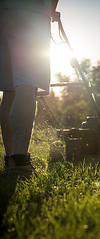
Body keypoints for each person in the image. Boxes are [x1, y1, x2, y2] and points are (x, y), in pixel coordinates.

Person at [0, 0, 59, 178]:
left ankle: (10, 161)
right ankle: (20, 164)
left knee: (9, 90)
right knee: (26, 83)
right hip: (31, 11)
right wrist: (51, 9)